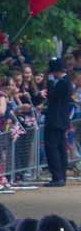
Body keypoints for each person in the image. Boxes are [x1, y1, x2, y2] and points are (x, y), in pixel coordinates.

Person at [43, 54, 71, 187]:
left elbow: (52, 96)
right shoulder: (64, 82)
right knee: (60, 147)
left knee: (53, 147)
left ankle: (58, 176)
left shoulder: (63, 83)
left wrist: (49, 81)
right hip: (60, 120)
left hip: (56, 120)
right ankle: (61, 176)